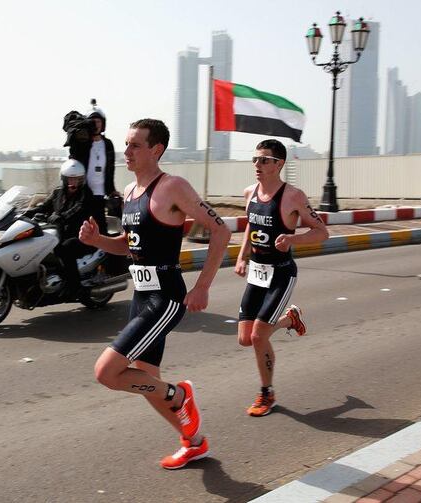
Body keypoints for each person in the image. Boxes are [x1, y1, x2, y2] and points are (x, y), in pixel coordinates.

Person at [79, 118, 231, 469]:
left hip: (165, 296)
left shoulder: (173, 187)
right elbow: (129, 246)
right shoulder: (130, 194)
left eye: (135, 145)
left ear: (155, 150)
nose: (126, 151)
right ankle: (194, 442)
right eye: (126, 144)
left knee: (107, 373)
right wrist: (96, 241)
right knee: (146, 380)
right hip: (141, 294)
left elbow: (220, 230)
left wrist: (203, 286)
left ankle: (181, 395)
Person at [234, 139, 329, 417]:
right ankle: (290, 319)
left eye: (264, 160)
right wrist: (242, 257)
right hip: (257, 272)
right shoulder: (249, 193)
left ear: (279, 164)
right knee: (245, 338)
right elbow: (251, 224)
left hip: (281, 273)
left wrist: (293, 239)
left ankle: (267, 394)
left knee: (258, 335)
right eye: (255, 159)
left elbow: (322, 232)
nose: (257, 165)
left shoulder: (293, 196)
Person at [27, 159, 104, 298]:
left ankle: (75, 287)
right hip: (62, 234)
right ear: (63, 178)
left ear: (82, 180)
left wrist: (60, 217)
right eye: (70, 179)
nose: (73, 183)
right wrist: (27, 213)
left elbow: (77, 209)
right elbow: (44, 206)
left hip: (82, 237)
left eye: (77, 179)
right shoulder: (57, 193)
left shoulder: (85, 194)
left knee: (65, 248)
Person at [77, 99, 120, 219]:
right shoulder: (82, 143)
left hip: (101, 195)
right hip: (84, 195)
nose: (95, 124)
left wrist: (112, 189)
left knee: (101, 228)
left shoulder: (108, 144)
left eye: (98, 121)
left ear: (103, 123)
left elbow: (111, 169)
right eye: (92, 121)